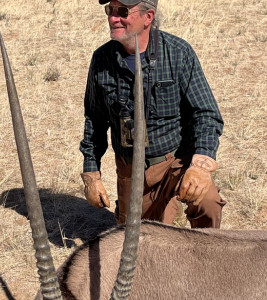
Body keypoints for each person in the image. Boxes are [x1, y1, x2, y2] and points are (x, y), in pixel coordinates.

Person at [79, 0, 226, 228]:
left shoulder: (178, 53)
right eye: (111, 10)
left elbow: (206, 114)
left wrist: (200, 166)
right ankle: (157, 208)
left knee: (208, 203)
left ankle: (205, 256)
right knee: (139, 238)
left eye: (123, 11)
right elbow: (94, 121)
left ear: (148, 17)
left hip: (175, 160)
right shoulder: (101, 59)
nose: (113, 18)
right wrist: (91, 173)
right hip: (131, 165)